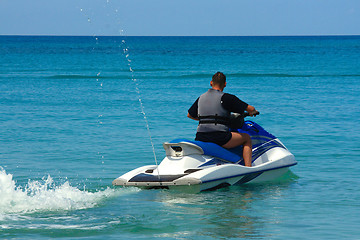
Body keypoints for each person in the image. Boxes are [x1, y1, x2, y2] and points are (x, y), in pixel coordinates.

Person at [187, 72, 258, 167]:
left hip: (201, 136)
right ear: (225, 84)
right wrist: (252, 112)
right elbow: (251, 108)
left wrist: (205, 120)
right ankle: (248, 168)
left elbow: (189, 115)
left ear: (211, 83)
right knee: (246, 138)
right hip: (219, 137)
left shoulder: (201, 98)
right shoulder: (227, 98)